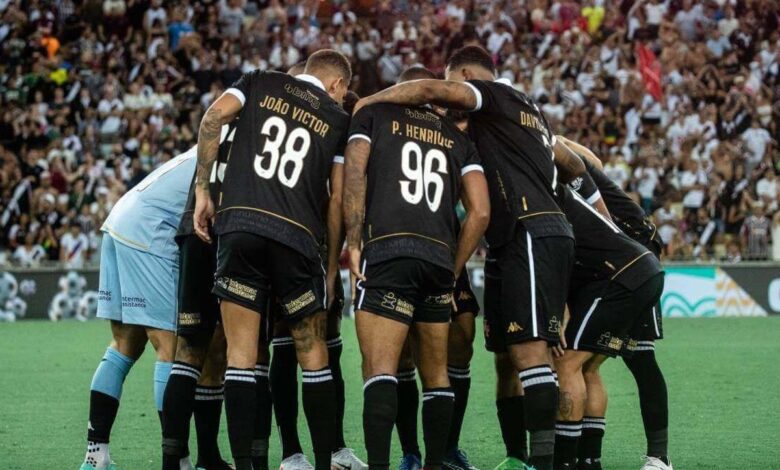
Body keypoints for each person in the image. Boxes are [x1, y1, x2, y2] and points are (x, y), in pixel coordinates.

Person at [354, 45, 586, 470]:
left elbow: (426, 89)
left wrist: (367, 103)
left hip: (525, 230)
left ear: (462, 75)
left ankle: (544, 463)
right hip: (519, 239)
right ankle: (511, 457)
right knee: (511, 355)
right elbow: (571, 165)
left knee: (532, 357)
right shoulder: (522, 114)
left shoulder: (492, 94)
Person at [193, 50, 352, 470]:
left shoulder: (259, 80)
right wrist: (332, 265)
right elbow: (336, 201)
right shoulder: (337, 120)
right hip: (296, 238)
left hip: (241, 226)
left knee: (241, 355)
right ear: (337, 85)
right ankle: (322, 463)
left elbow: (211, 119)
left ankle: (246, 464)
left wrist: (203, 193)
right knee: (312, 351)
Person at [343, 65, 490, 470]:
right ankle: (435, 464)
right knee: (437, 375)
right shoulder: (458, 139)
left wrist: (352, 242)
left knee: (381, 370)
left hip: (388, 249)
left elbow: (354, 172)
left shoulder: (373, 115)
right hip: (437, 259)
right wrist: (453, 268)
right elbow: (479, 212)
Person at [268, 61, 367, 470]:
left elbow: (339, 196)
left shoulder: (340, 118)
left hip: (321, 248)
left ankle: (335, 447)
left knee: (329, 349)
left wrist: (332, 262)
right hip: (286, 244)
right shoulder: (280, 114)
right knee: (286, 349)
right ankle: (292, 451)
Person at [79, 148, 198, 470]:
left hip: (120, 221)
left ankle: (96, 456)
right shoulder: (234, 149)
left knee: (124, 346)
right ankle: (178, 459)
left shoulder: (204, 144)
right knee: (169, 347)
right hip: (149, 232)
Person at [558, 137, 672, 470]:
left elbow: (590, 163)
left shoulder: (563, 162)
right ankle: (587, 459)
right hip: (601, 263)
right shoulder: (565, 165)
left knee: (640, 357)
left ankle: (659, 457)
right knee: (586, 362)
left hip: (633, 251)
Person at [393, 109, 483, 470]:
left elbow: (478, 209)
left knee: (462, 338)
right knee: (401, 354)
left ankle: (447, 448)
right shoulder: (400, 136)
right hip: (403, 247)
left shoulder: (466, 143)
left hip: (447, 254)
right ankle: (411, 452)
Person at [161, 123, 239, 470]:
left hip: (194, 230)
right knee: (216, 349)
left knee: (205, 350)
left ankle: (199, 457)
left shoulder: (224, 125)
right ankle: (177, 460)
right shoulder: (269, 120)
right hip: (228, 232)